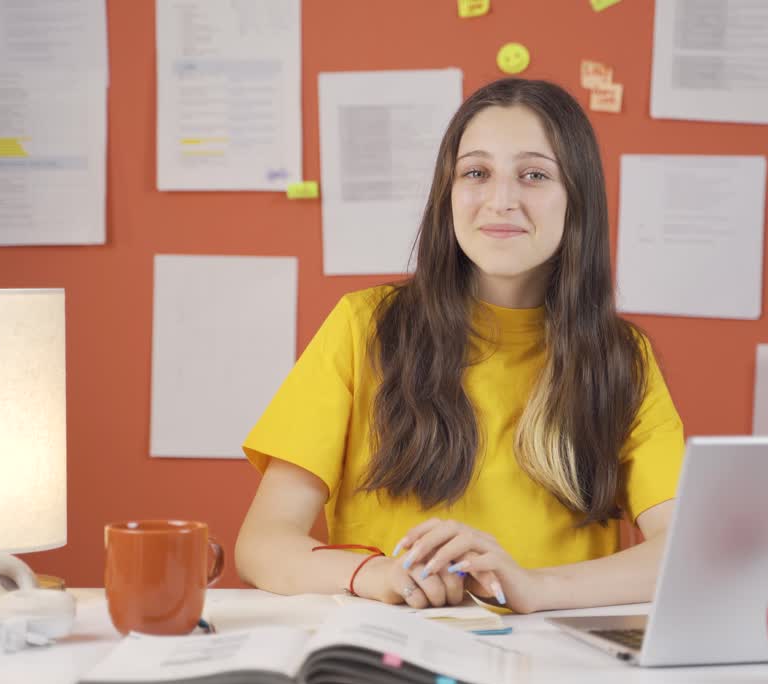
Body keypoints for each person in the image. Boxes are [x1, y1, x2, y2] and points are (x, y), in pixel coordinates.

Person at [235, 78, 684, 614]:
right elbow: (262, 544)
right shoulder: (364, 327)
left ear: (578, 199)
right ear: (448, 193)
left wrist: (533, 588)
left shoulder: (621, 359)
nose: (501, 200)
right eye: (476, 173)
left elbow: (683, 550)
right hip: (397, 653)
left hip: (556, 669)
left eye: (534, 175)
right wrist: (375, 574)